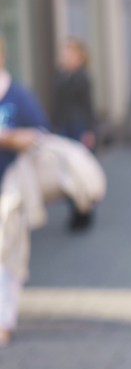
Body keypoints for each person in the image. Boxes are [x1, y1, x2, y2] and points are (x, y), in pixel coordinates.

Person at [0, 31, 49, 346]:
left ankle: (3, 320)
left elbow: (42, 136)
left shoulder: (17, 95)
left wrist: (9, 138)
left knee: (5, 256)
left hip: (8, 189)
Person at [53, 37, 96, 230]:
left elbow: (88, 107)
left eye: (69, 52)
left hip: (77, 126)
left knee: (80, 170)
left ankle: (85, 211)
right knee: (66, 171)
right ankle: (74, 210)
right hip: (64, 127)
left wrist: (89, 130)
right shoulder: (61, 76)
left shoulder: (82, 77)